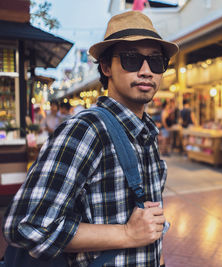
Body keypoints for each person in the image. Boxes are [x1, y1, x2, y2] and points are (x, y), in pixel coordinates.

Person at [2, 11, 179, 267]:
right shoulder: (86, 130)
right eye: (131, 59)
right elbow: (26, 225)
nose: (145, 71)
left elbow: (148, 219)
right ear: (106, 67)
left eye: (156, 61)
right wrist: (127, 234)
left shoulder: (146, 133)